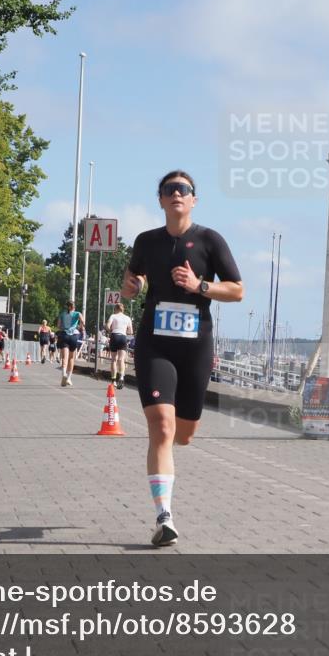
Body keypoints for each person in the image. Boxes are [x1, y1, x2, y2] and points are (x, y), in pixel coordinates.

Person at [123, 170, 243, 546]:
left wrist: (199, 285)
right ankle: (165, 518)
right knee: (161, 427)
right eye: (169, 189)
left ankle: (168, 453)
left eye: (184, 189)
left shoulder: (210, 240)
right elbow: (131, 281)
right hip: (154, 344)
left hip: (195, 347)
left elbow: (237, 290)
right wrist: (133, 286)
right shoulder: (146, 241)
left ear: (194, 199)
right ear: (160, 199)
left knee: (184, 435)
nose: (177, 193)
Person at [104, 303, 134, 389]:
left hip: (114, 336)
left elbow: (107, 326)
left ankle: (113, 380)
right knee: (121, 359)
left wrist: (110, 331)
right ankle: (121, 377)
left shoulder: (113, 316)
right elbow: (131, 332)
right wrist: (124, 330)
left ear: (116, 309)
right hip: (123, 337)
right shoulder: (127, 318)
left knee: (114, 359)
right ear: (123, 309)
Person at [57, 301, 84, 387]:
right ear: (74, 306)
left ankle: (64, 374)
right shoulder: (77, 313)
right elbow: (83, 322)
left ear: (67, 307)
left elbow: (58, 326)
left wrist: (64, 328)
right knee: (71, 358)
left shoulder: (62, 314)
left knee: (64, 357)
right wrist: (79, 327)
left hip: (64, 335)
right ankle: (69, 378)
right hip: (74, 336)